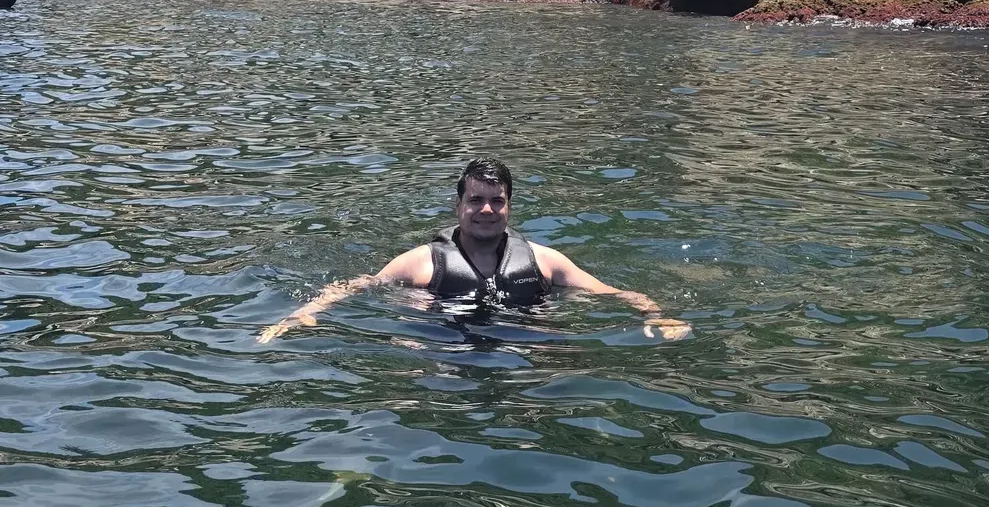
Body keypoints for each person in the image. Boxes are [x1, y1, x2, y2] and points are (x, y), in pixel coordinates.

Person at [259, 155, 690, 343]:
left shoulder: (545, 260)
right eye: (476, 200)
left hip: (526, 351)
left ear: (509, 205)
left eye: (496, 201)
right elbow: (357, 286)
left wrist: (656, 313)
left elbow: (611, 293)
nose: (486, 210)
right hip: (445, 352)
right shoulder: (423, 261)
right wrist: (305, 313)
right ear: (459, 204)